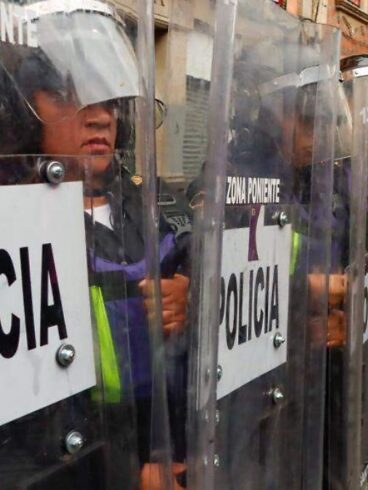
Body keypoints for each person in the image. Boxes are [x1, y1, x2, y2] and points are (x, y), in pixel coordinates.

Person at [0, 1, 190, 488]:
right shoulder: (12, 222)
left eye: (108, 99)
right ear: (21, 109)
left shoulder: (150, 204)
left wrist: (190, 296)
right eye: (70, 94)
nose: (99, 116)